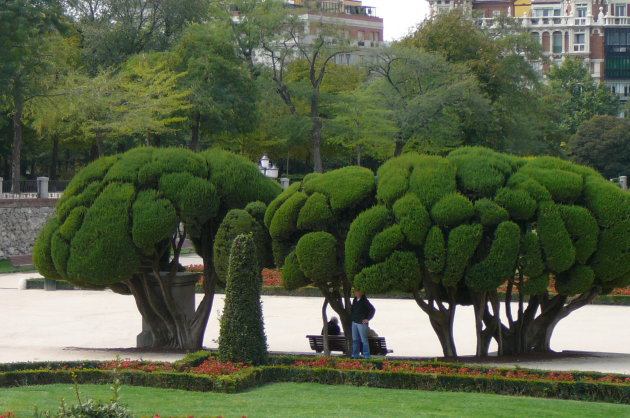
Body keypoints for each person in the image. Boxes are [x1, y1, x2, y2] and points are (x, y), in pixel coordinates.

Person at [350, 289, 375, 359]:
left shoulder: (365, 301)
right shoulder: (354, 300)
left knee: (364, 340)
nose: (355, 293)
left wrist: (367, 319)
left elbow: (372, 310)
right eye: (355, 291)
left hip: (361, 323)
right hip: (354, 322)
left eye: (357, 291)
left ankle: (366, 355)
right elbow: (352, 309)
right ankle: (355, 355)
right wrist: (352, 318)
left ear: (361, 292)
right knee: (355, 340)